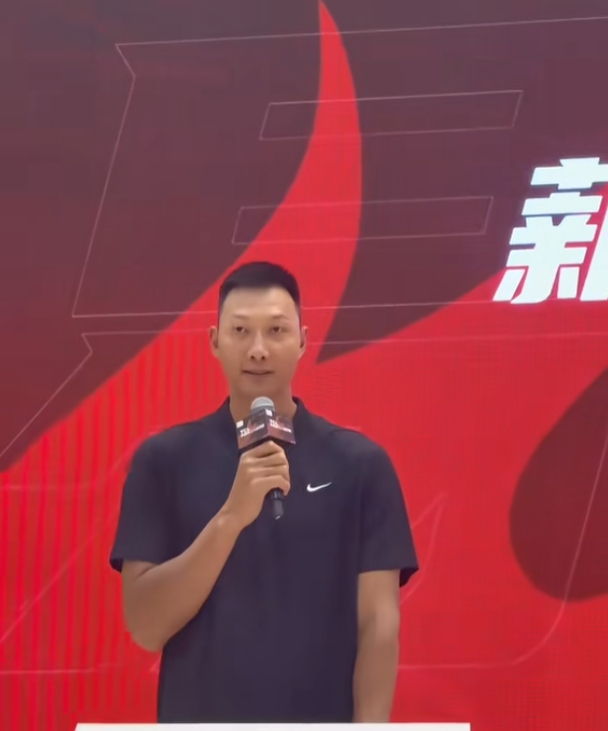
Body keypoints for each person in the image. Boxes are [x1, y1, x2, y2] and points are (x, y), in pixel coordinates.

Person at [110, 261, 419, 723]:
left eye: (276, 330)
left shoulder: (360, 465)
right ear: (214, 341)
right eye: (240, 331)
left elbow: (378, 623)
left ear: (303, 340)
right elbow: (146, 626)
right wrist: (231, 517)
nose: (258, 350)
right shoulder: (163, 461)